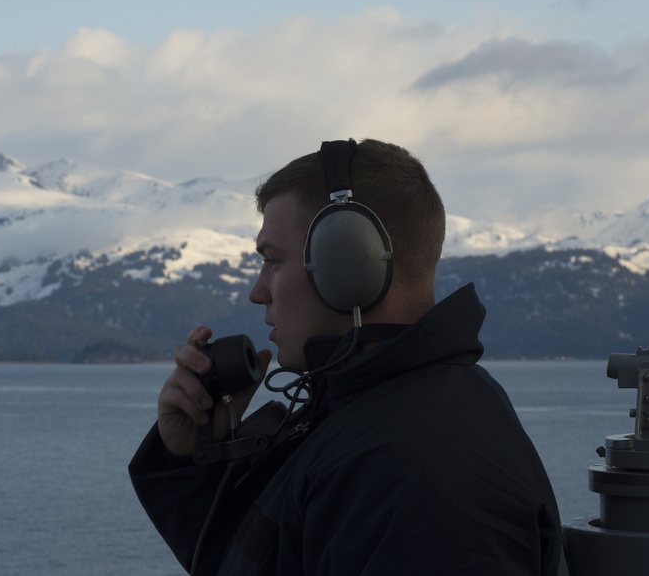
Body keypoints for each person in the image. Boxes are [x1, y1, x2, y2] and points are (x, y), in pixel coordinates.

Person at [129, 139, 563, 575]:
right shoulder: (363, 415)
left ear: (349, 263)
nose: (256, 292)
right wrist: (197, 455)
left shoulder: (420, 470)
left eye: (273, 261)